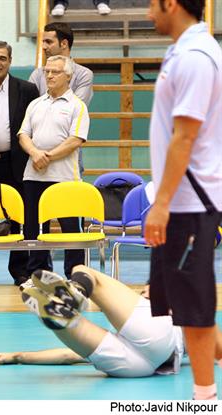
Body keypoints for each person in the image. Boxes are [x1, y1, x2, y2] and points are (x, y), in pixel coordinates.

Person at [145, 0, 222, 400]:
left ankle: (204, 397)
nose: (146, 13)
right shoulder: (181, 51)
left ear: (171, 3)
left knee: (194, 307)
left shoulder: (195, 56)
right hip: (179, 199)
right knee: (182, 302)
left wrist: (162, 204)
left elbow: (186, 136)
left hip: (189, 201)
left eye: (150, 4)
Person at [0, 266, 188, 379]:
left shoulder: (171, 309)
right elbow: (67, 356)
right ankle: (64, 306)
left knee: (87, 273)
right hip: (142, 367)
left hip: (131, 366)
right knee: (67, 322)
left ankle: (76, 292)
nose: (142, 292)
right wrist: (18, 356)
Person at [18, 55, 89, 279]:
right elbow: (23, 134)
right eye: (46, 71)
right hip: (33, 176)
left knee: (70, 230)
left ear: (68, 76)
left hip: (64, 178)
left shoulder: (77, 106)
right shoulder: (35, 104)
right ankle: (38, 274)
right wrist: (35, 153)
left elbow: (75, 140)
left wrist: (46, 156)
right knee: (34, 229)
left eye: (55, 72)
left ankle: (75, 274)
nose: (49, 75)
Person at [0, 41, 39, 286]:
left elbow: (34, 127)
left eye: (2, 58)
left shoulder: (26, 89)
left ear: (10, 61)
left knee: (18, 216)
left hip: (15, 162)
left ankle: (20, 272)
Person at [29, 22, 93, 177]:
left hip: (68, 151)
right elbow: (30, 112)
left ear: (64, 43)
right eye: (43, 42)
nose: (43, 46)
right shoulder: (37, 75)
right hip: (38, 155)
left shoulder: (84, 74)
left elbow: (73, 110)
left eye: (48, 42)